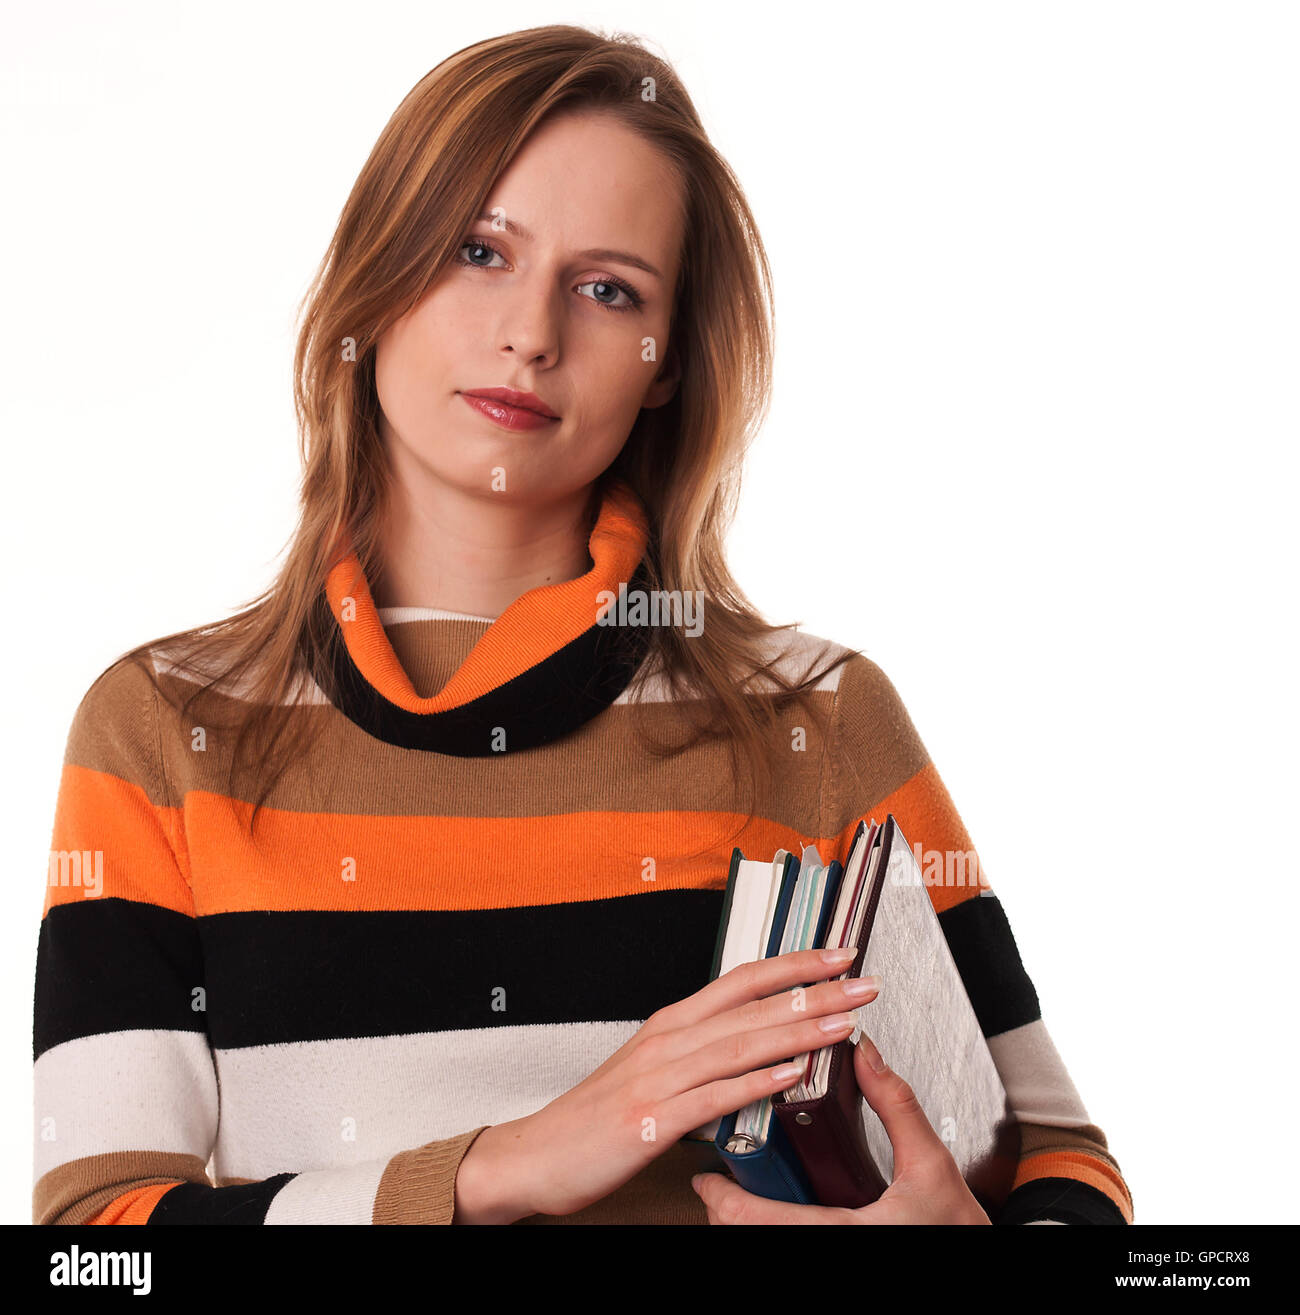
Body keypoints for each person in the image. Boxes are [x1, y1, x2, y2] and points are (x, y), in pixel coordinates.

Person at [32, 24, 1132, 1226]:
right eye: (478, 251)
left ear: (667, 364)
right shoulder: (163, 727)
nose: (533, 333)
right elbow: (93, 1248)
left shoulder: (813, 715)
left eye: (609, 289)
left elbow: (1065, 1171)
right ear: (378, 272)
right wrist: (500, 1165)